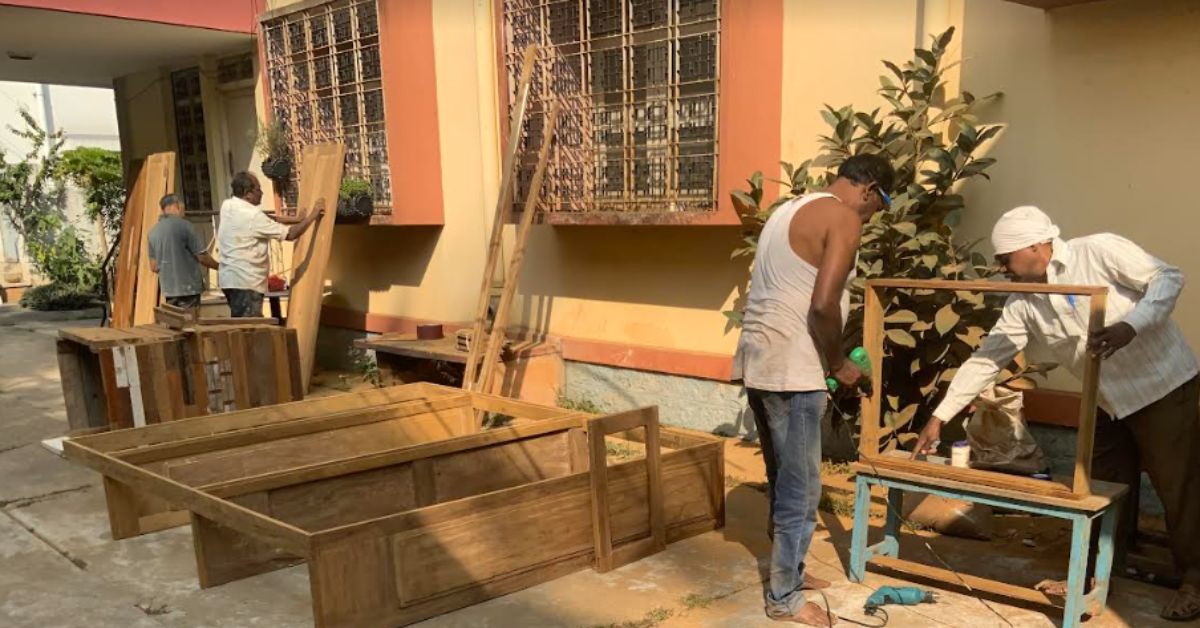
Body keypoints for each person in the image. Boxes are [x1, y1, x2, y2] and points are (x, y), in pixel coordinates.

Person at [912, 206, 1200, 622]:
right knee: (1099, 488)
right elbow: (989, 357)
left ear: (1035, 247)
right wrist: (940, 415)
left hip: (1163, 387)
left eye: (1005, 259)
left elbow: (1169, 276)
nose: (1002, 269)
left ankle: (1194, 579)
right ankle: (1097, 576)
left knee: (1181, 487)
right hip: (1107, 402)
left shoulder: (1097, 251)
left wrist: (1131, 325)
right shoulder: (1025, 300)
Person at [733, 153, 895, 626]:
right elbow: (823, 306)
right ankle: (783, 597)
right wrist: (839, 362)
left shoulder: (788, 209)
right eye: (879, 206)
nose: (872, 216)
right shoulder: (843, 216)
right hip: (794, 366)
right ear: (869, 191)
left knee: (784, 478)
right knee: (801, 491)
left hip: (760, 358)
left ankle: (791, 574)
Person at [216, 171, 324, 318]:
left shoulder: (228, 205)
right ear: (248, 194)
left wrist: (296, 219)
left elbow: (265, 218)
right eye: (258, 190)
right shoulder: (253, 217)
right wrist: (313, 215)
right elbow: (290, 235)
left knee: (243, 326)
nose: (262, 193)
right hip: (246, 282)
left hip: (229, 281)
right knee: (250, 330)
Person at [146, 194, 217, 309]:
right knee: (190, 324)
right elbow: (202, 257)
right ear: (177, 205)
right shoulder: (185, 226)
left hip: (169, 291)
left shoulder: (153, 232)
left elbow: (154, 267)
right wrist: (220, 267)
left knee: (174, 323)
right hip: (189, 290)